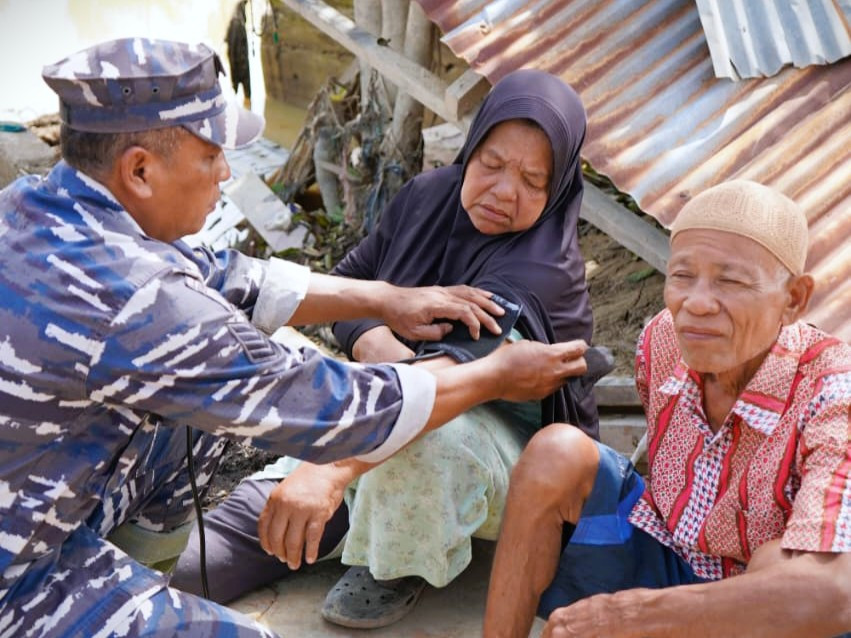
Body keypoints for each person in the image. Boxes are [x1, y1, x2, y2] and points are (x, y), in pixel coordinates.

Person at [0, 38, 590, 637]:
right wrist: (491, 373)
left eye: (531, 179)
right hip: (16, 577)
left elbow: (234, 277)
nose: (227, 171)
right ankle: (105, 594)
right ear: (140, 170)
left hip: (444, 446)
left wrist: (384, 301)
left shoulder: (32, 206)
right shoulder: (147, 303)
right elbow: (330, 403)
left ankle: (137, 576)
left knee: (417, 443)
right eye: (212, 155)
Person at [171, 69, 606, 628]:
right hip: (388, 405)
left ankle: (398, 560)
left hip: (491, 449)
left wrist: (329, 471)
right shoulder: (429, 197)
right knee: (213, 556)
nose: (503, 190)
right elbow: (347, 286)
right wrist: (374, 338)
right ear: (472, 147)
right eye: (491, 164)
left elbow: (444, 389)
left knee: (428, 446)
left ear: (557, 188)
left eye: (531, 180)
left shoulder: (541, 269)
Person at [482, 180, 851, 638]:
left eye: (731, 281)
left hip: (764, 603)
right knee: (555, 453)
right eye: (682, 276)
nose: (696, 303)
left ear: (793, 299)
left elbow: (836, 591)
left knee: (781, 560)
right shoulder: (663, 338)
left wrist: (632, 616)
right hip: (671, 554)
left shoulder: (834, 390)